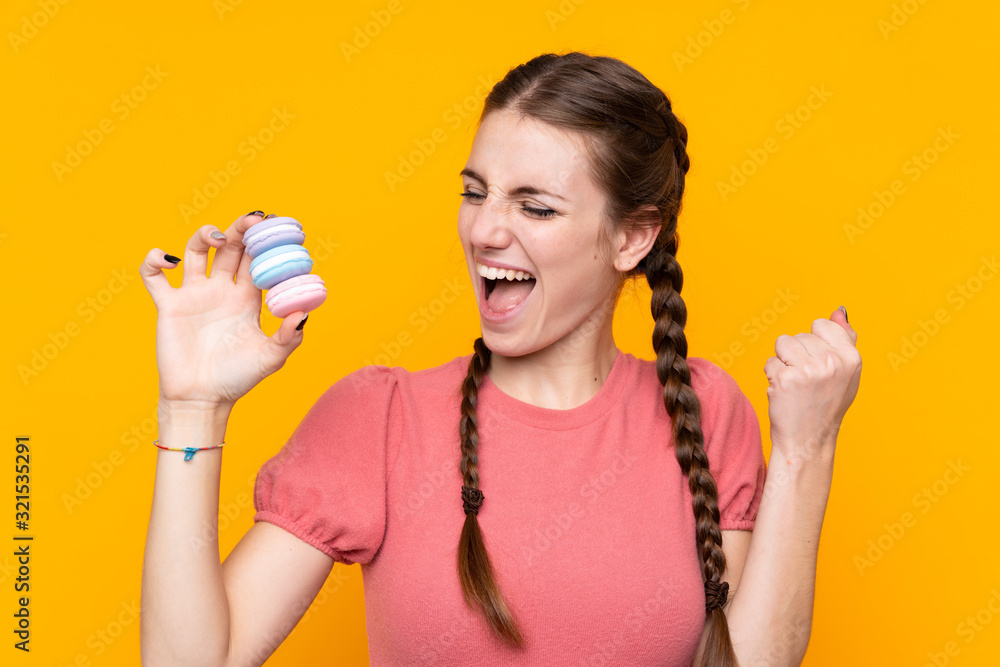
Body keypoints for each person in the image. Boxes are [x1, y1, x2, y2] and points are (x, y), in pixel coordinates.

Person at [139, 52, 861, 666]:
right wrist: (193, 405)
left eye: (535, 207)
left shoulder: (703, 411)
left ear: (633, 238)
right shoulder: (379, 417)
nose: (484, 230)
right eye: (474, 192)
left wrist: (807, 447)